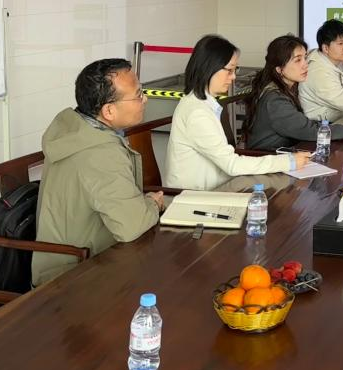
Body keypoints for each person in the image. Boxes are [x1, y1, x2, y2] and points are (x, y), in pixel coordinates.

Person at [32, 59, 163, 287]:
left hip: (71, 262)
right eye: (138, 94)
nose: (145, 99)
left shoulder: (75, 128)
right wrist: (152, 204)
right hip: (73, 281)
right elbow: (131, 226)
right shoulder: (100, 153)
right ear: (109, 110)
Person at [164, 34, 311, 190]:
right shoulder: (197, 113)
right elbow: (232, 165)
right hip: (195, 197)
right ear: (209, 68)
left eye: (235, 70)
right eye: (229, 70)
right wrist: (288, 161)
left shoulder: (202, 103)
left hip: (218, 187)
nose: (233, 77)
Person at [246, 34, 343, 151]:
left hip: (289, 152)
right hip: (270, 159)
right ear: (279, 69)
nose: (305, 64)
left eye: (305, 58)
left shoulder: (288, 88)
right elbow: (308, 130)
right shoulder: (275, 99)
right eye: (298, 60)